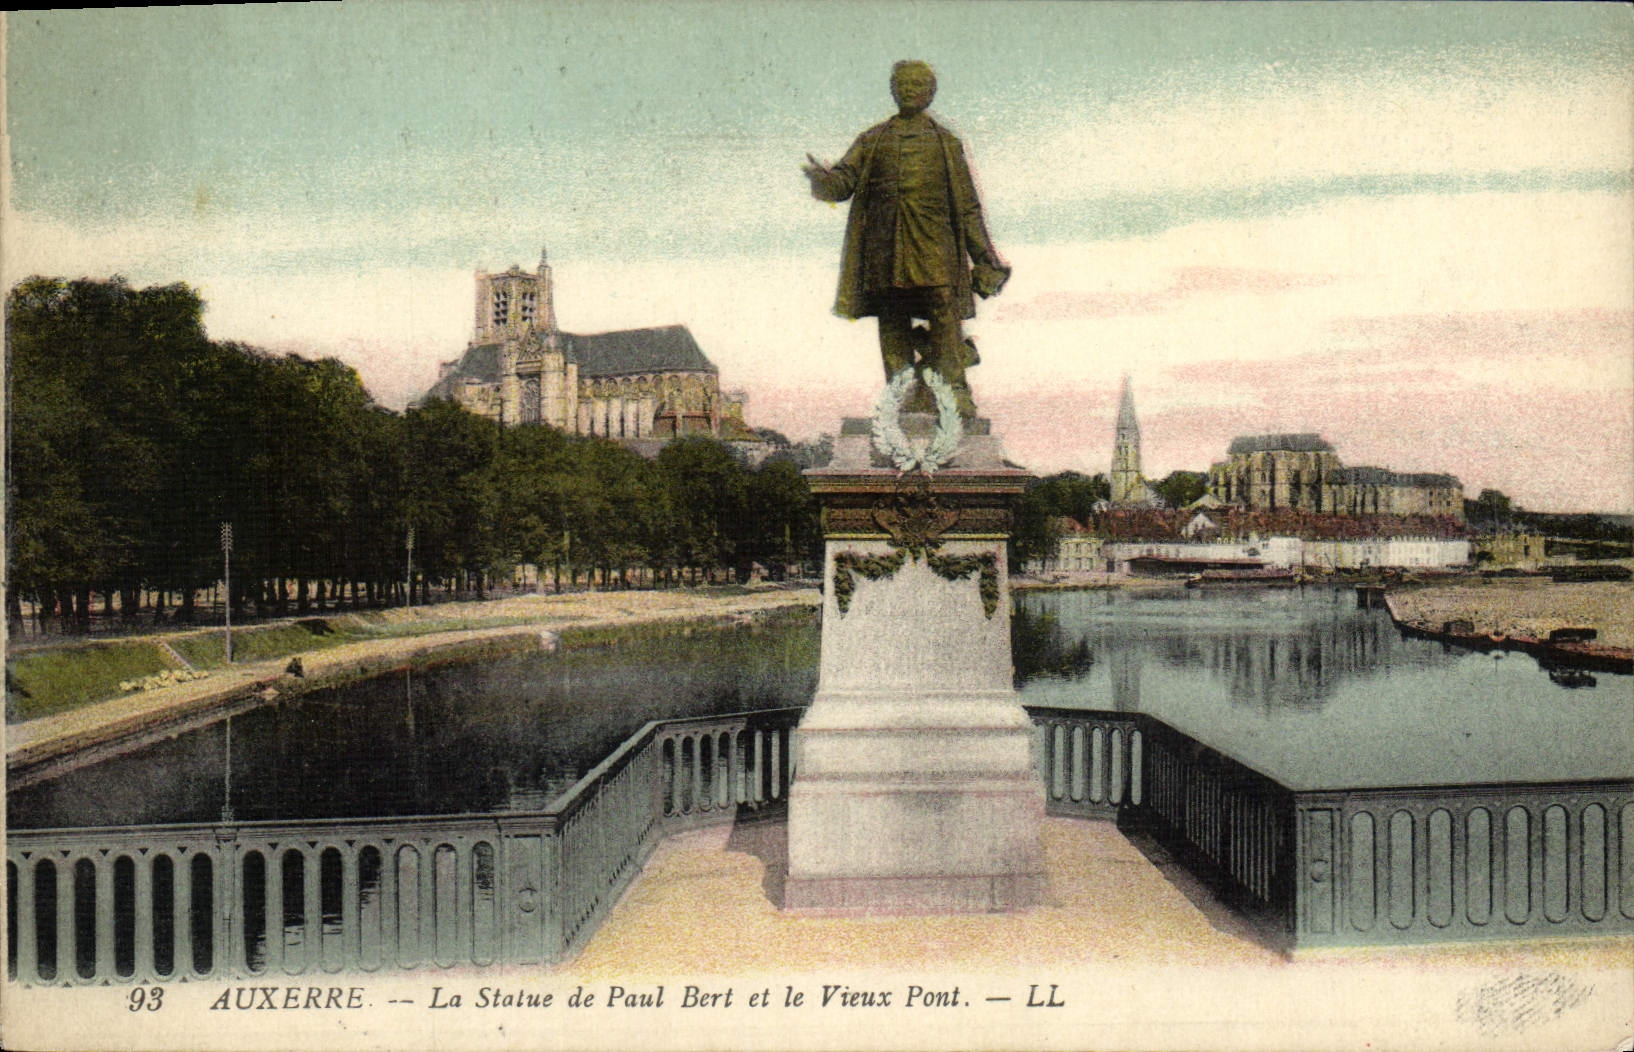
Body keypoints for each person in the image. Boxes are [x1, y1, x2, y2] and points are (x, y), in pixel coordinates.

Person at [802, 60, 1010, 418]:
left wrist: (984, 257)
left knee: (942, 311)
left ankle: (955, 392)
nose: (910, 89)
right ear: (893, 90)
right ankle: (899, 392)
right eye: (903, 83)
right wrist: (822, 179)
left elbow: (967, 207)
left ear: (930, 93)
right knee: (892, 314)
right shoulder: (871, 140)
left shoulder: (947, 143)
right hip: (884, 245)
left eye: (918, 84)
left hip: (934, 244)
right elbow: (843, 183)